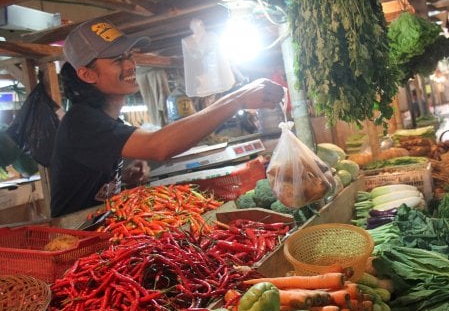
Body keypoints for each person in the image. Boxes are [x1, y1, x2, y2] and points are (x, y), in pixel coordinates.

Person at [49, 19, 284, 217]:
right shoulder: (81, 122)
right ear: (88, 74)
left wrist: (125, 179)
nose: (131, 65)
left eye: (130, 56)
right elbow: (159, 146)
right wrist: (237, 99)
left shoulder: (107, 121)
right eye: (118, 60)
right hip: (74, 241)